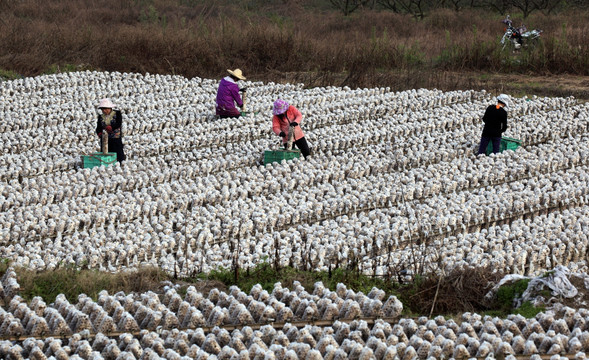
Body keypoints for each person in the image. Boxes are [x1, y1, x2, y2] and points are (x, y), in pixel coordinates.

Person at [96, 98, 126, 162]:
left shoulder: (117, 113)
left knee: (117, 153)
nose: (104, 111)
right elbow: (98, 127)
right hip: (105, 139)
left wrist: (111, 127)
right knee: (106, 153)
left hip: (115, 138)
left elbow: (118, 123)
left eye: (105, 109)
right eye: (102, 109)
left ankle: (119, 163)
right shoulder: (101, 117)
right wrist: (99, 133)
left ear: (110, 108)